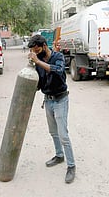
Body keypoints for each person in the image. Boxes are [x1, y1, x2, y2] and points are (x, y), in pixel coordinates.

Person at [27, 34, 76, 184]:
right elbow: (40, 83)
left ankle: (71, 166)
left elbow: (57, 70)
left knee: (63, 135)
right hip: (48, 101)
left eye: (37, 50)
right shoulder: (38, 60)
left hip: (61, 100)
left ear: (44, 46)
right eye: (33, 52)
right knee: (53, 132)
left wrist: (37, 62)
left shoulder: (58, 57)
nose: (35, 53)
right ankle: (59, 155)